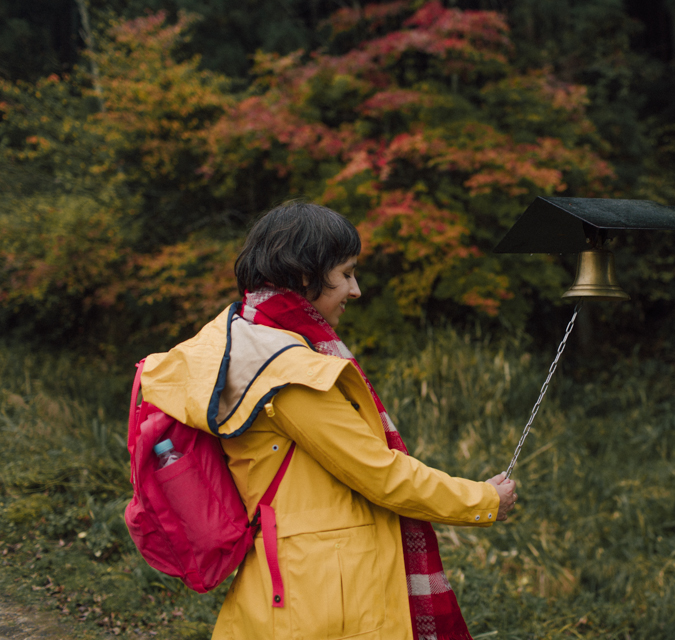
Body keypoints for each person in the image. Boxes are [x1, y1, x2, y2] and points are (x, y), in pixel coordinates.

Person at [139, 201, 518, 640]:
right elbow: (379, 473)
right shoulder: (288, 369)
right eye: (346, 273)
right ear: (304, 275)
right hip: (323, 596)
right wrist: (482, 500)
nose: (355, 290)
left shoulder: (243, 339)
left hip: (293, 582)